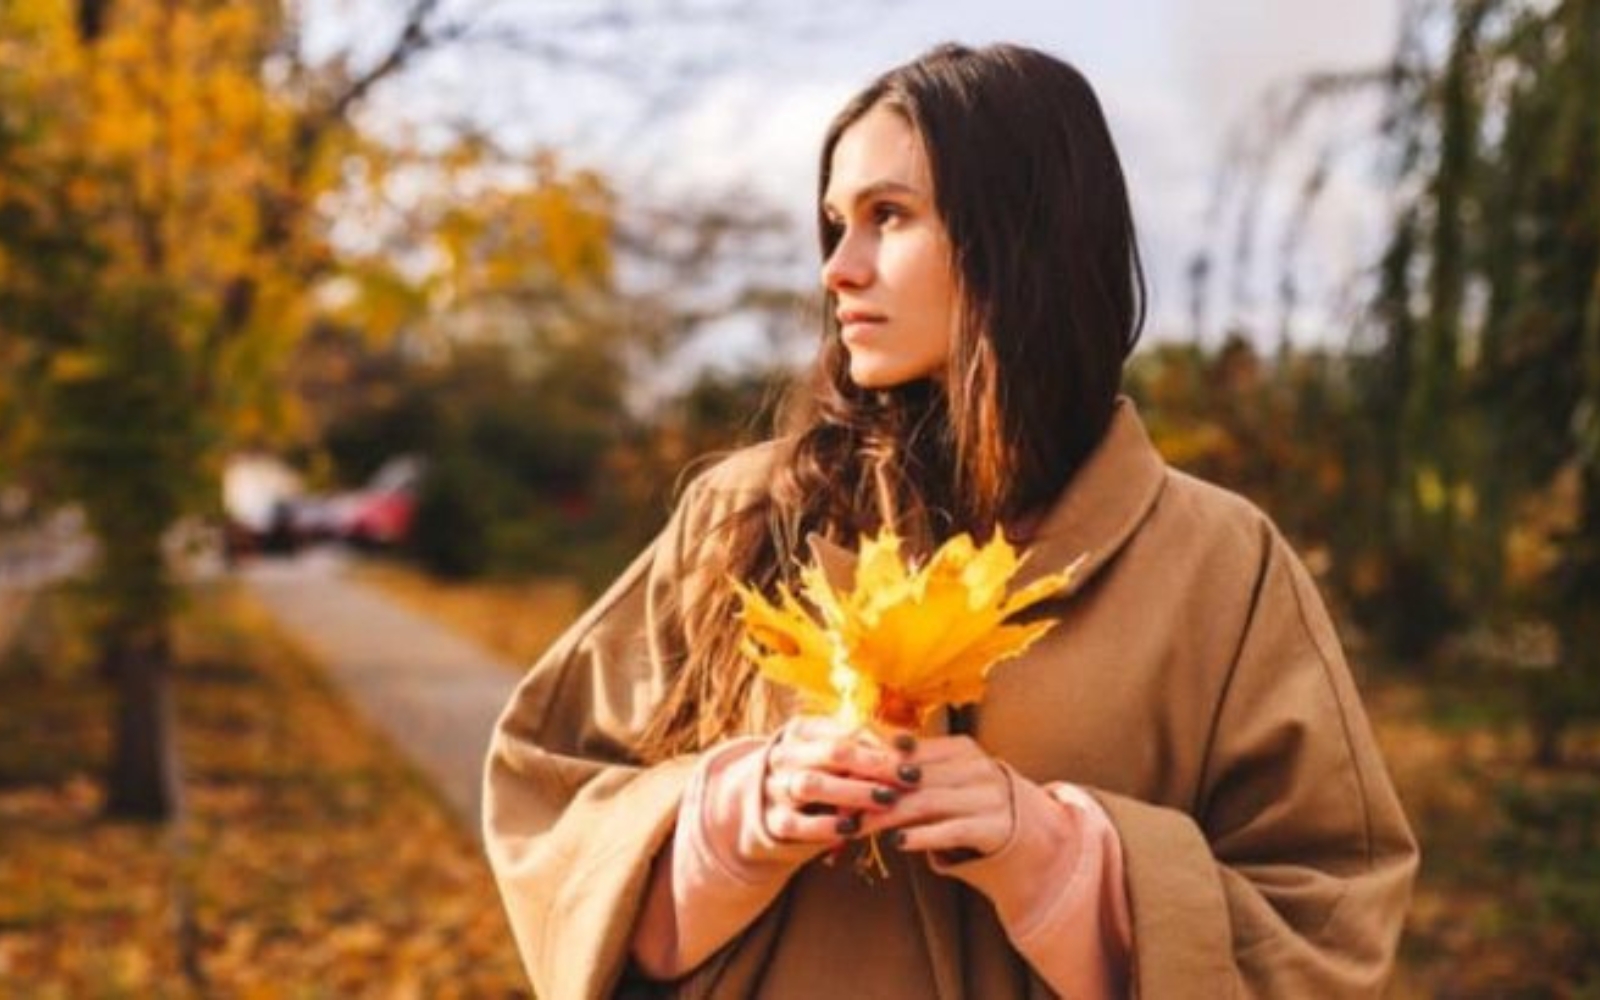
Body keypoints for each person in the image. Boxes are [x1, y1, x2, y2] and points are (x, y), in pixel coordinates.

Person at [483, 42, 1418, 999]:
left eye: (889, 217)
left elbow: (1329, 913)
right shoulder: (740, 515)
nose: (838, 270)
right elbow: (546, 804)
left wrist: (1066, 862)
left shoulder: (1222, 562)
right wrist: (726, 822)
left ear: (1025, 235)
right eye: (835, 224)